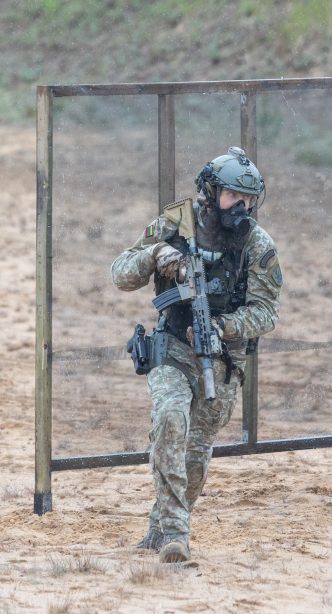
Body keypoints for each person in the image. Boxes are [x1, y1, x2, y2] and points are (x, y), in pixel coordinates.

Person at [111, 147, 282, 561]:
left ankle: (160, 526)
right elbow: (120, 273)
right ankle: (176, 535)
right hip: (171, 348)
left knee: (196, 451)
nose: (241, 207)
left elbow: (266, 312)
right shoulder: (174, 224)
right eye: (232, 197)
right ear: (209, 191)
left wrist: (223, 327)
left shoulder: (257, 244)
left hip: (221, 362)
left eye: (248, 200)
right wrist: (155, 255)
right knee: (170, 420)